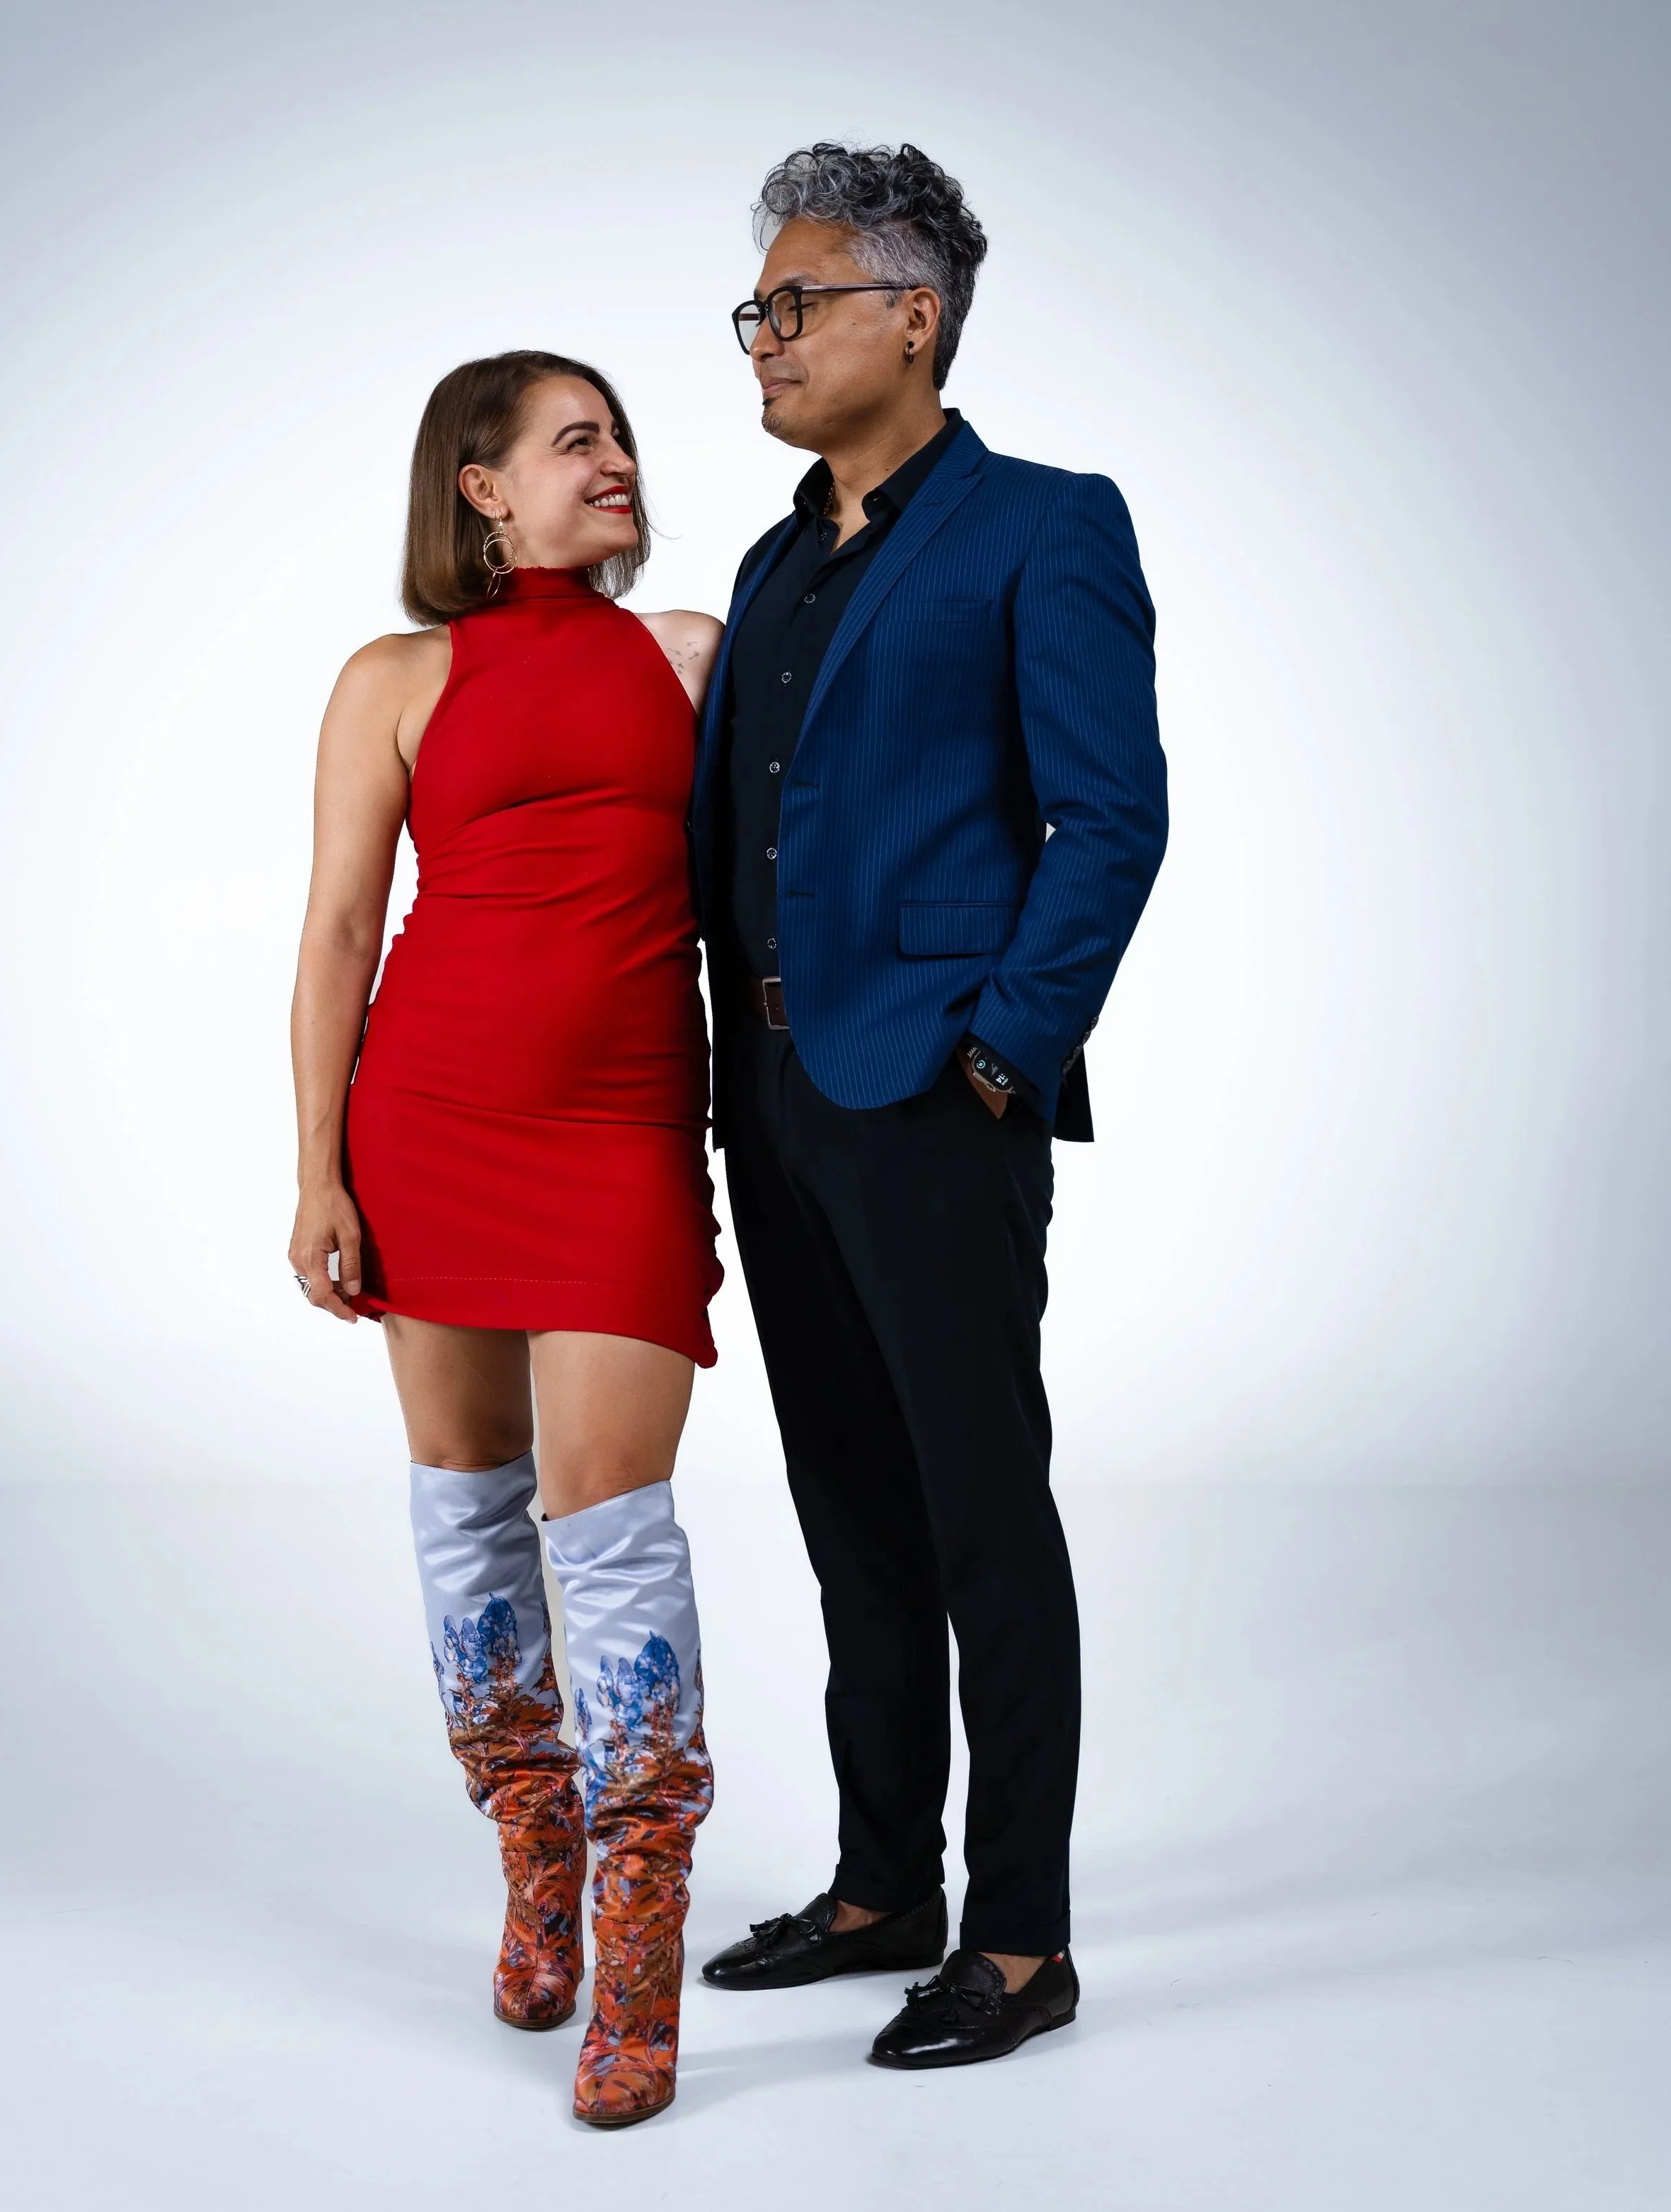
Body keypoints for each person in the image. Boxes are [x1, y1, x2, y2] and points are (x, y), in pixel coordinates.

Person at [695, 144, 1168, 2069]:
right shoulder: (769, 561)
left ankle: (1022, 1938)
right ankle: (882, 1880)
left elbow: (1110, 817)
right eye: (755, 307)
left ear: (916, 314)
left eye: (798, 301)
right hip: (770, 1096)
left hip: (932, 1096)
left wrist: (1001, 1057)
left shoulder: (1044, 525)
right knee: (849, 1507)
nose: (764, 335)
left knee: (979, 1511)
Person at [287, 352, 725, 2128]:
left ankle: (641, 1941)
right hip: (433, 1125)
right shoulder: (393, 678)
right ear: (479, 485)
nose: (615, 461)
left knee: (611, 1529)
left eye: (619, 436)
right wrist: (317, 1171)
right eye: (575, 439)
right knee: (470, 1514)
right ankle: (537, 1855)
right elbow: (338, 931)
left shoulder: (687, 653)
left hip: (621, 1134)